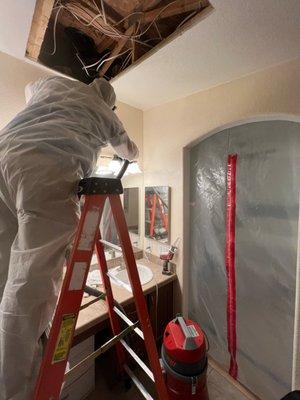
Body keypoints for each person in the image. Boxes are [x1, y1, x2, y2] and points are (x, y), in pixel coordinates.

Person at [0, 76, 138, 400]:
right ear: (109, 102)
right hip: (45, 175)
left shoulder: (52, 85)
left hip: (4, 154)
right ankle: (13, 391)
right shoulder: (104, 112)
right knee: (28, 292)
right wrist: (129, 155)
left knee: (5, 269)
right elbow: (129, 149)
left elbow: (28, 88)